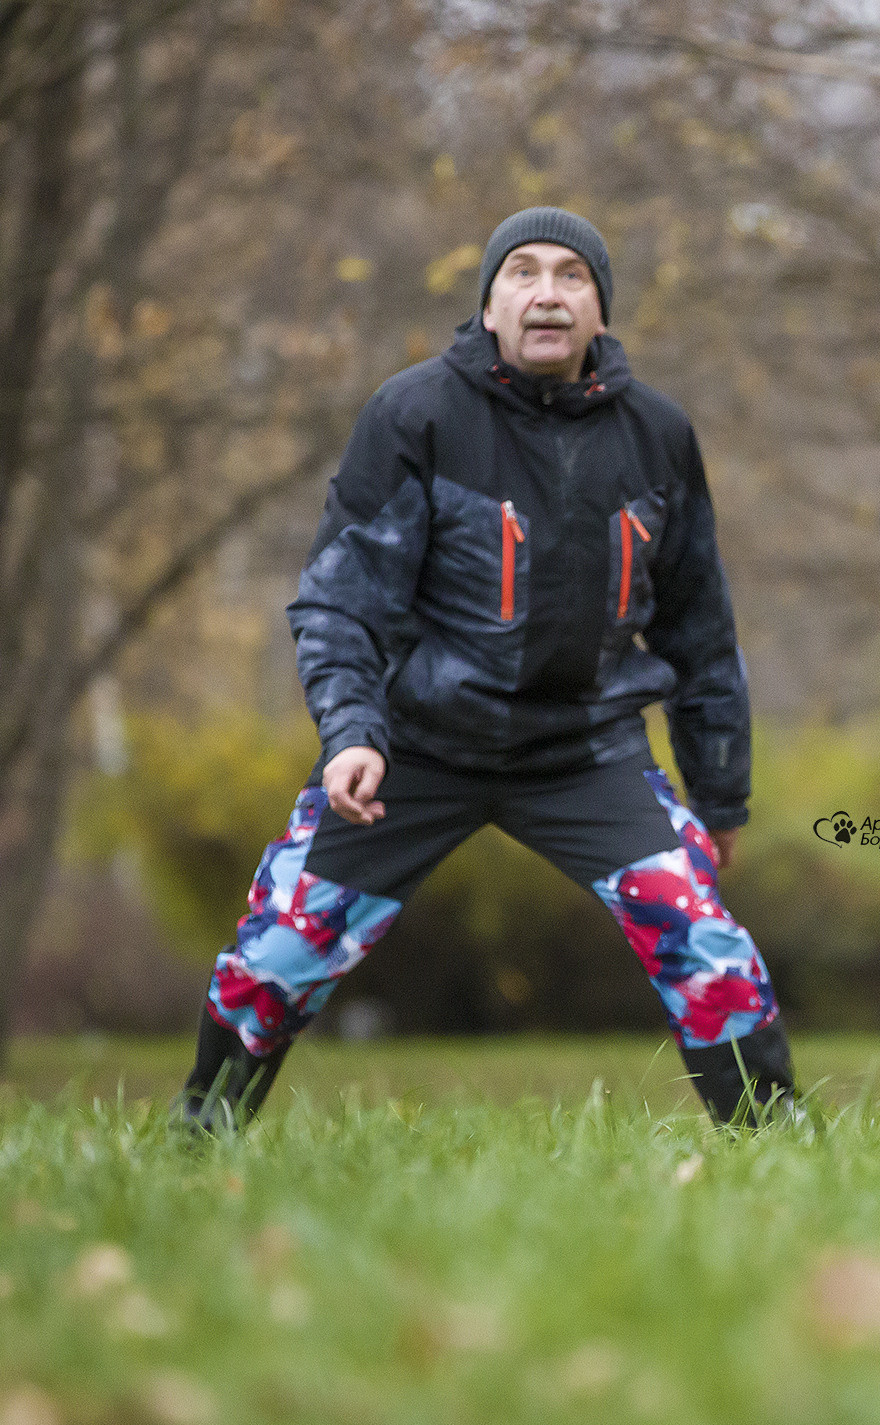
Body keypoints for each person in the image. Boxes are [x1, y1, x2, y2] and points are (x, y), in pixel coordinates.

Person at [176, 206, 796, 1128]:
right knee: (278, 954)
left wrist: (722, 795)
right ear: (491, 303)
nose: (547, 293)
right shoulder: (414, 414)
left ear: (599, 309)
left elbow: (701, 631)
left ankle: (779, 1149)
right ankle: (198, 1134)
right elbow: (339, 602)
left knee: (704, 939)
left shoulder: (657, 435)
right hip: (415, 749)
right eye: (524, 272)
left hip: (587, 752)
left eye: (571, 276)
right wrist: (353, 737)